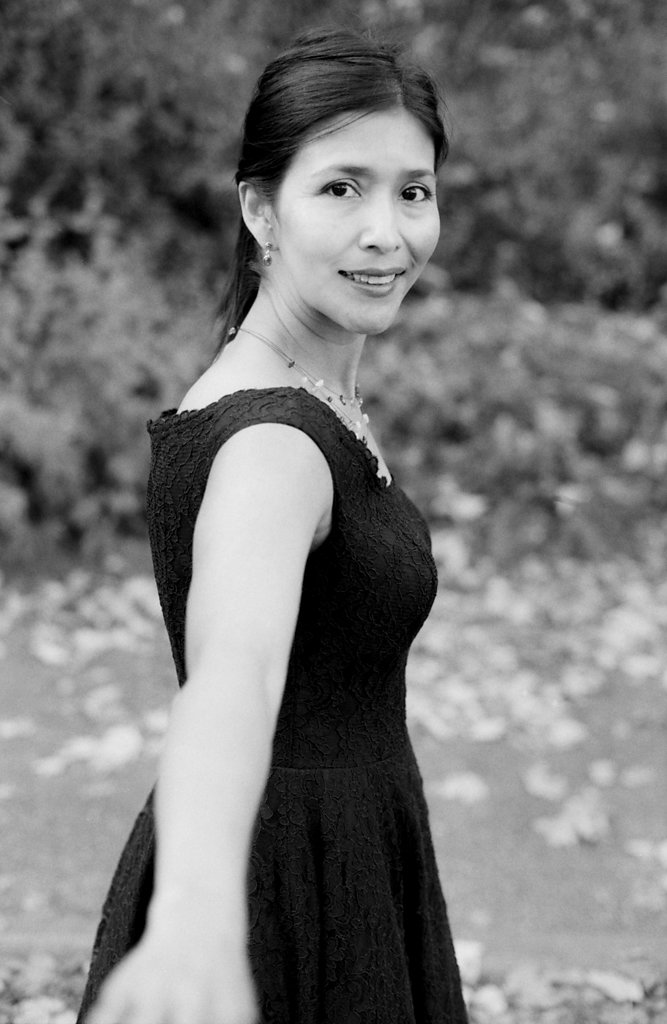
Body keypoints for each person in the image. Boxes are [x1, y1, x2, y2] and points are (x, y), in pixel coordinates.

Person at [78, 27, 469, 1024]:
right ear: (260, 209)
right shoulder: (272, 445)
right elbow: (234, 674)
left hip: (349, 862)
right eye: (340, 188)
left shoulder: (310, 397)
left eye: (412, 191)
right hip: (288, 899)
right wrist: (195, 921)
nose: (385, 231)